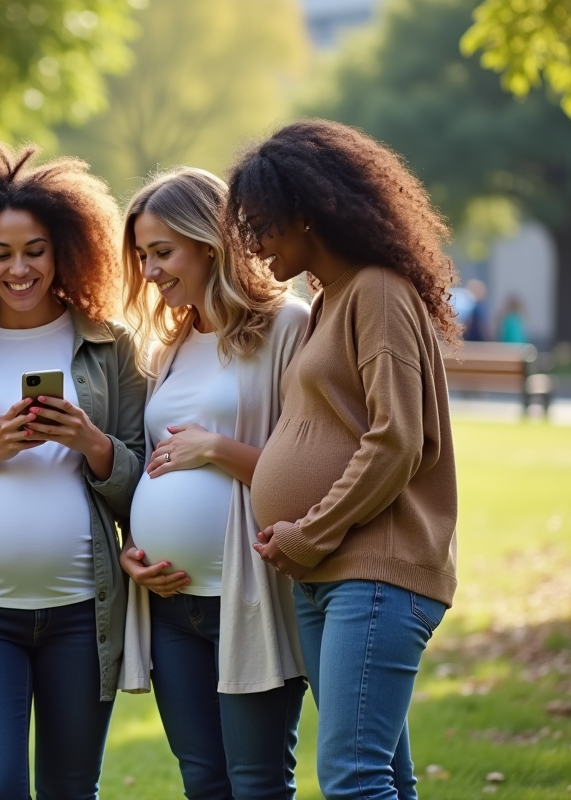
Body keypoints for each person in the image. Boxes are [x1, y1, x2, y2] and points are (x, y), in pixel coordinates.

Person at [0, 140, 146, 800]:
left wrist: (92, 443)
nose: (18, 268)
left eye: (34, 250)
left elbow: (143, 481)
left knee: (72, 790)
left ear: (63, 248)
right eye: (0, 253)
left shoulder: (107, 346)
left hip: (81, 610)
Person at [227, 119, 459, 800]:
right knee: (385, 776)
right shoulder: (329, 300)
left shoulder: (377, 291)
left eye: (262, 226)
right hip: (328, 574)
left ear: (307, 213)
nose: (254, 245)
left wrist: (311, 530)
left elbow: (397, 439)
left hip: (374, 570)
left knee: (355, 782)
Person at [117, 167, 309, 800]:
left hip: (247, 595)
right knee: (202, 780)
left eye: (162, 252)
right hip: (172, 604)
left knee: (256, 782)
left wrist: (218, 449)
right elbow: (154, 466)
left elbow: (312, 473)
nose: (150, 271)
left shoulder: (286, 327)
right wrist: (132, 553)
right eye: (144, 256)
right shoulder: (170, 346)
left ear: (210, 243)